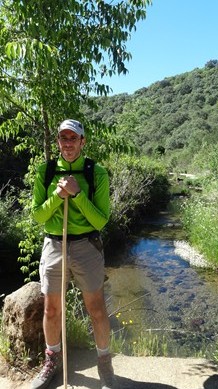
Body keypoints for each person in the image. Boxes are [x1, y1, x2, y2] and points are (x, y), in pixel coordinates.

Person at [31, 119, 115, 389]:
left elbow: (101, 221)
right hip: (54, 245)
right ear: (58, 142)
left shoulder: (96, 173)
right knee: (52, 309)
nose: (67, 143)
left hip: (87, 247)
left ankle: (104, 363)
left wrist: (77, 195)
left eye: (73, 138)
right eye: (63, 138)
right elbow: (38, 216)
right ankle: (52, 362)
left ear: (82, 141)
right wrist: (57, 196)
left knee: (97, 309)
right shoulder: (45, 172)